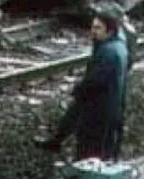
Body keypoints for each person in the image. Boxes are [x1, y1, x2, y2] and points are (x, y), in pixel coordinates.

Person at [35, 11, 130, 160]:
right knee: (75, 116)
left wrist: (79, 89)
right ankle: (56, 141)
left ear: (109, 30)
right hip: (104, 102)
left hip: (99, 108)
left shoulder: (109, 52)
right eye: (93, 27)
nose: (93, 31)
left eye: (98, 28)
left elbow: (97, 80)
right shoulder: (115, 46)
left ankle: (82, 172)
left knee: (90, 147)